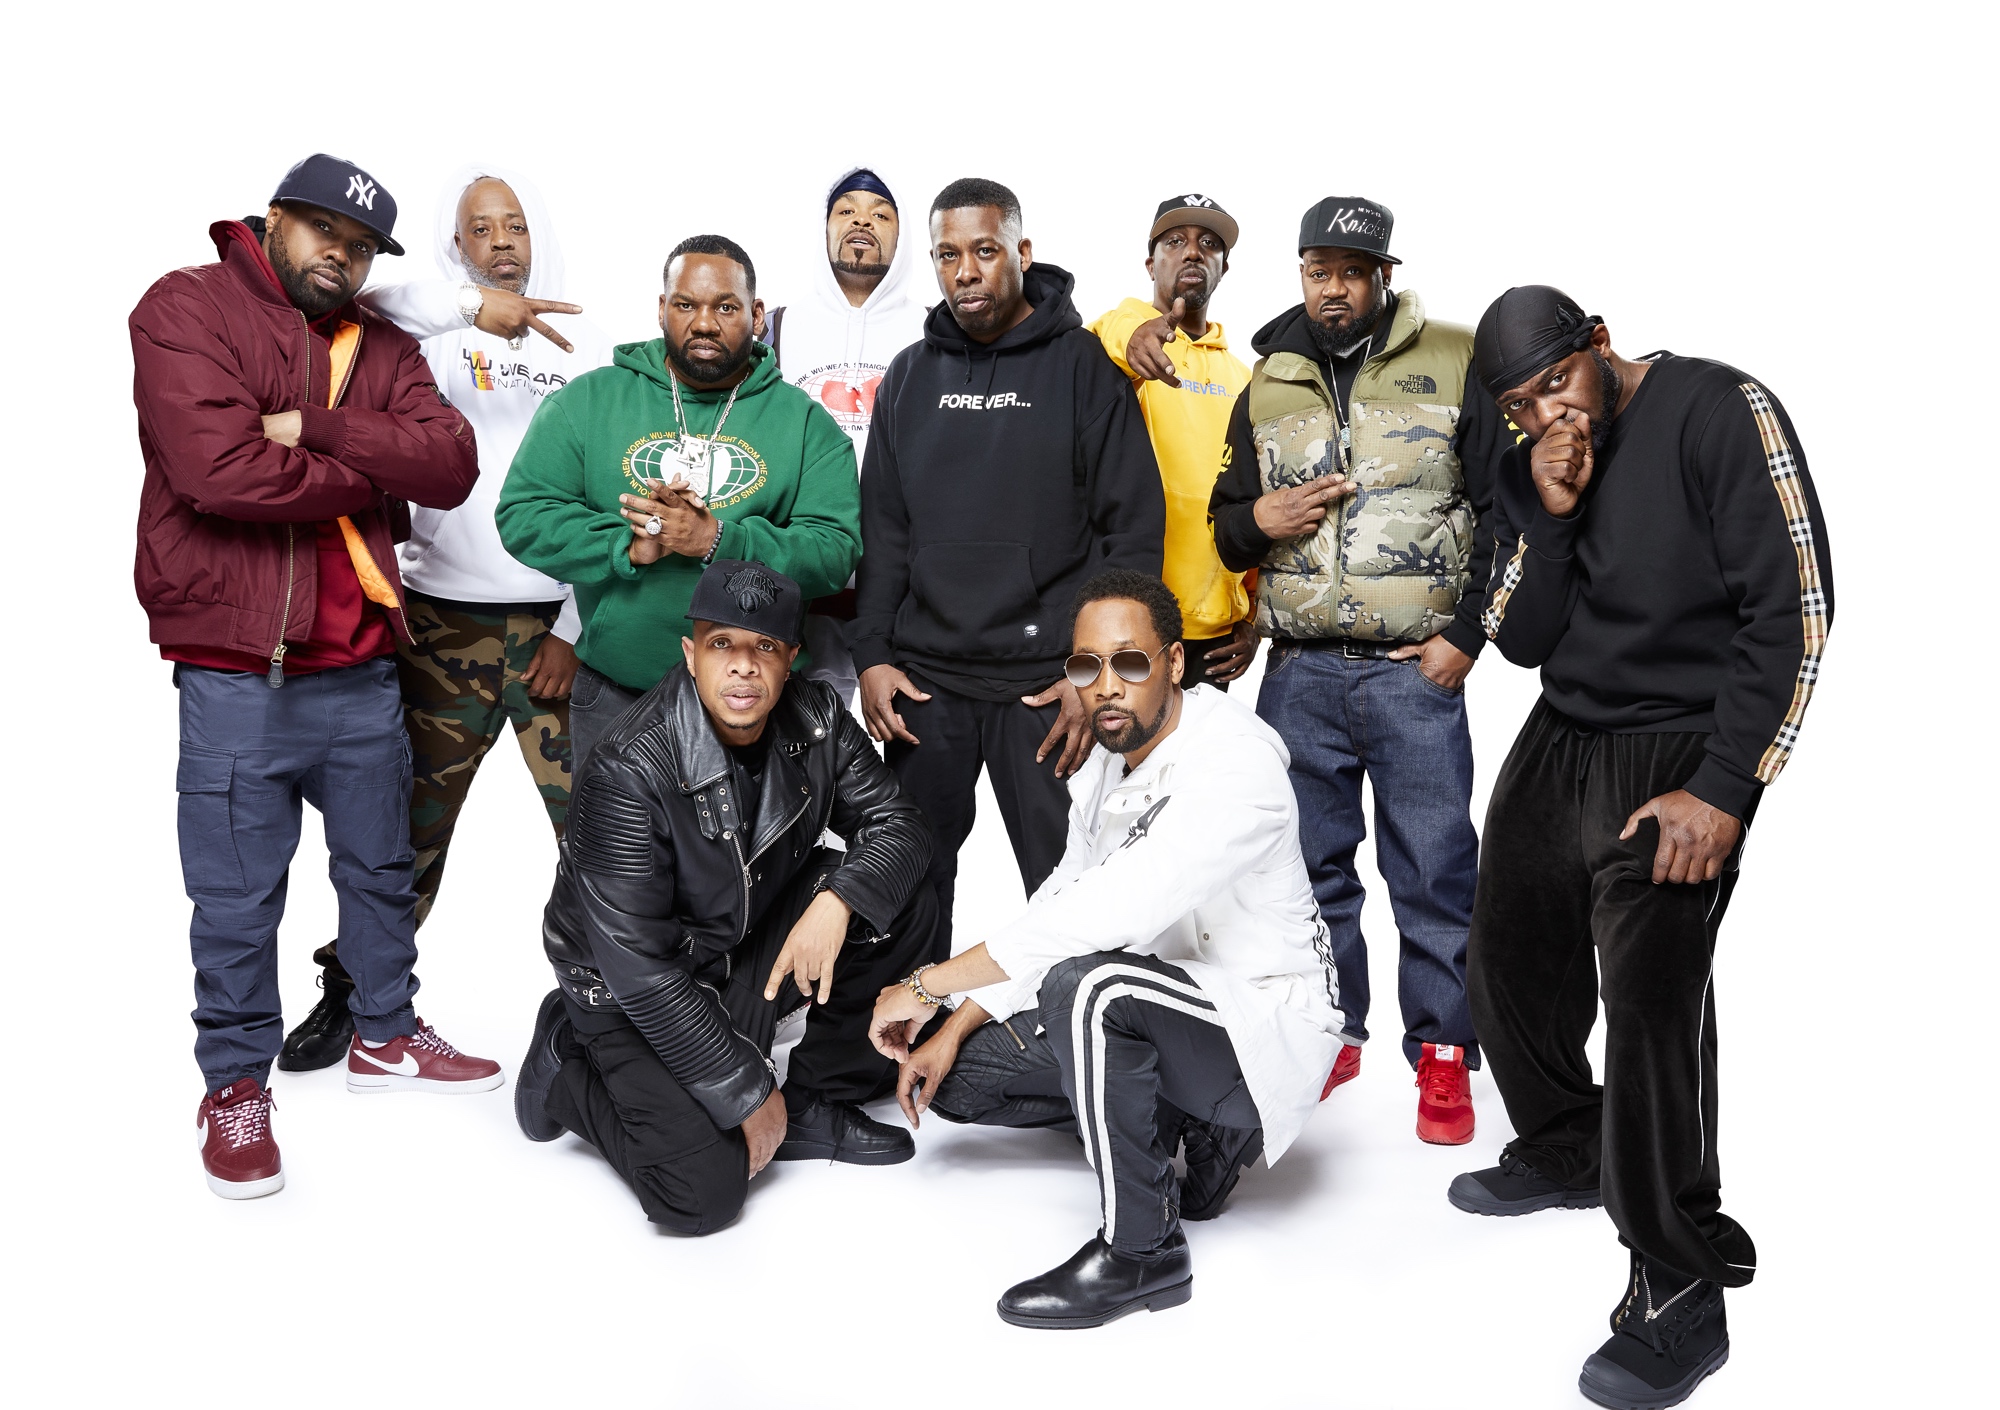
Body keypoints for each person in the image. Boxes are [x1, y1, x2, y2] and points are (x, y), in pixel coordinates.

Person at [1451, 287, 1832, 1410]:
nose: (1544, 417)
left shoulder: (1719, 408)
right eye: (1518, 408)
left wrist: (1723, 789)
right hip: (1566, 724)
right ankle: (1571, 1141)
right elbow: (1518, 637)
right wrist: (1550, 509)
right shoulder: (1534, 466)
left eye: (1555, 386)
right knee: (1505, 957)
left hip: (1680, 750)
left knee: (1651, 993)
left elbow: (1795, 608)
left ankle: (1675, 1276)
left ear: (1600, 344)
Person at [130, 154, 504, 1201]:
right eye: (325, 234)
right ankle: (235, 1085)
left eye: (362, 249)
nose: (340, 258)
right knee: (238, 901)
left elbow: (450, 465)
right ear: (277, 219)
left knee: (380, 873)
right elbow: (218, 472)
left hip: (363, 669)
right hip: (236, 674)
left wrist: (322, 430)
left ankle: (384, 1032)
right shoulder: (185, 307)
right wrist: (363, 475)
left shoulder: (379, 345)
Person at [868, 569, 1341, 1327]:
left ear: (1175, 663)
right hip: (1162, 1002)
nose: (1107, 686)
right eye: (1087, 667)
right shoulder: (1105, 765)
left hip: (1259, 1027)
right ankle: (1189, 1129)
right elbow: (1059, 896)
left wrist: (927, 984)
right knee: (961, 1078)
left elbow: (1107, 911)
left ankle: (1143, 1251)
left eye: (1130, 662)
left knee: (1089, 987)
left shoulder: (1236, 762)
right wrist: (952, 1024)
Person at [280, 164, 616, 1071]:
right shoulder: (416, 336)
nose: (503, 240)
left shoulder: (582, 353)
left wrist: (575, 631)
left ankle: (617, 1012)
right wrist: (473, 308)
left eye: (515, 225)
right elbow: (373, 294)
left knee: (601, 835)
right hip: (440, 629)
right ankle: (355, 999)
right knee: (400, 835)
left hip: (557, 633)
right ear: (455, 246)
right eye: (480, 228)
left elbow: (611, 500)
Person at [509, 560, 944, 1232]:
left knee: (900, 891)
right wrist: (745, 1092)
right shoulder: (629, 765)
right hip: (624, 988)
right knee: (701, 1193)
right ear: (690, 653)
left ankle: (814, 1096)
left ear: (791, 659)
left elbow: (901, 828)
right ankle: (567, 1061)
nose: (744, 667)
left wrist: (838, 902)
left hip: (737, 936)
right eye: (723, 645)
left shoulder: (819, 716)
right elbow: (641, 969)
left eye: (764, 647)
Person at [1207, 196, 1503, 1144]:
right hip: (1297, 671)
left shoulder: (1456, 357)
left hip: (1414, 673)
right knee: (1305, 867)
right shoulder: (1269, 380)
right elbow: (1226, 519)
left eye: (1348, 270)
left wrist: (1470, 633)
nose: (1330, 288)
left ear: (1383, 275)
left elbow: (1508, 512)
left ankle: (1446, 1056)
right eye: (1314, 270)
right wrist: (1264, 523)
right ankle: (1329, 1033)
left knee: (1434, 866)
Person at [849, 177, 1165, 959]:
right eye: (948, 255)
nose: (966, 271)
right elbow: (884, 533)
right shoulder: (911, 376)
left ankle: (1074, 1054)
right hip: (927, 685)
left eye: (985, 251)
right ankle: (904, 1044)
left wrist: (1094, 678)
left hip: (1044, 688)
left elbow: (1132, 534)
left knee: (1071, 890)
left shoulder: (1084, 367)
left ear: (1021, 253)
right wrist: (873, 658)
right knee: (907, 885)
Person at [497, 234, 862, 770]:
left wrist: (717, 540)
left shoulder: (805, 422)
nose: (705, 323)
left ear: (756, 313)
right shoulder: (589, 400)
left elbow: (835, 553)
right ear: (662, 308)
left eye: (726, 306)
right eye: (686, 305)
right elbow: (523, 517)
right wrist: (628, 546)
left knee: (749, 857)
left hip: (753, 702)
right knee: (613, 855)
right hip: (617, 693)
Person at [759, 165, 930, 704]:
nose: (863, 223)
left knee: (908, 739)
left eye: (881, 214)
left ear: (903, 238)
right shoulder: (777, 327)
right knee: (793, 743)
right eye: (846, 211)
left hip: (903, 583)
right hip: (800, 576)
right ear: (824, 226)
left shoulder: (934, 330)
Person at [1087, 195, 1257, 689]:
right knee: (1120, 767)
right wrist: (1135, 332)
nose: (1192, 252)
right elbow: (1113, 327)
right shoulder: (1117, 347)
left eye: (1209, 244)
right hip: (1129, 623)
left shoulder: (1246, 378)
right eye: (1174, 242)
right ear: (1150, 262)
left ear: (1224, 267)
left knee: (1201, 767)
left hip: (1214, 633)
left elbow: (1255, 497)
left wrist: (1253, 619)